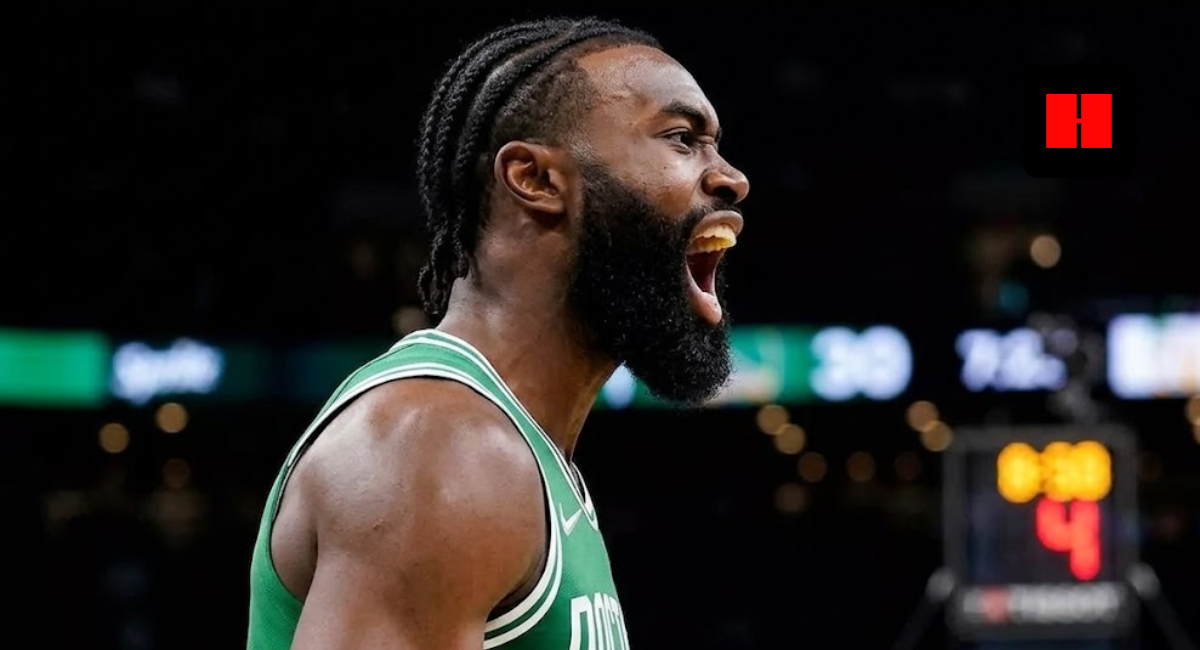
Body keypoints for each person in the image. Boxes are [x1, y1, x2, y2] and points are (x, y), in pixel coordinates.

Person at [246, 15, 750, 650]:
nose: (732, 177)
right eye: (682, 138)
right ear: (536, 179)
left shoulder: (515, 450)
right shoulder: (439, 449)